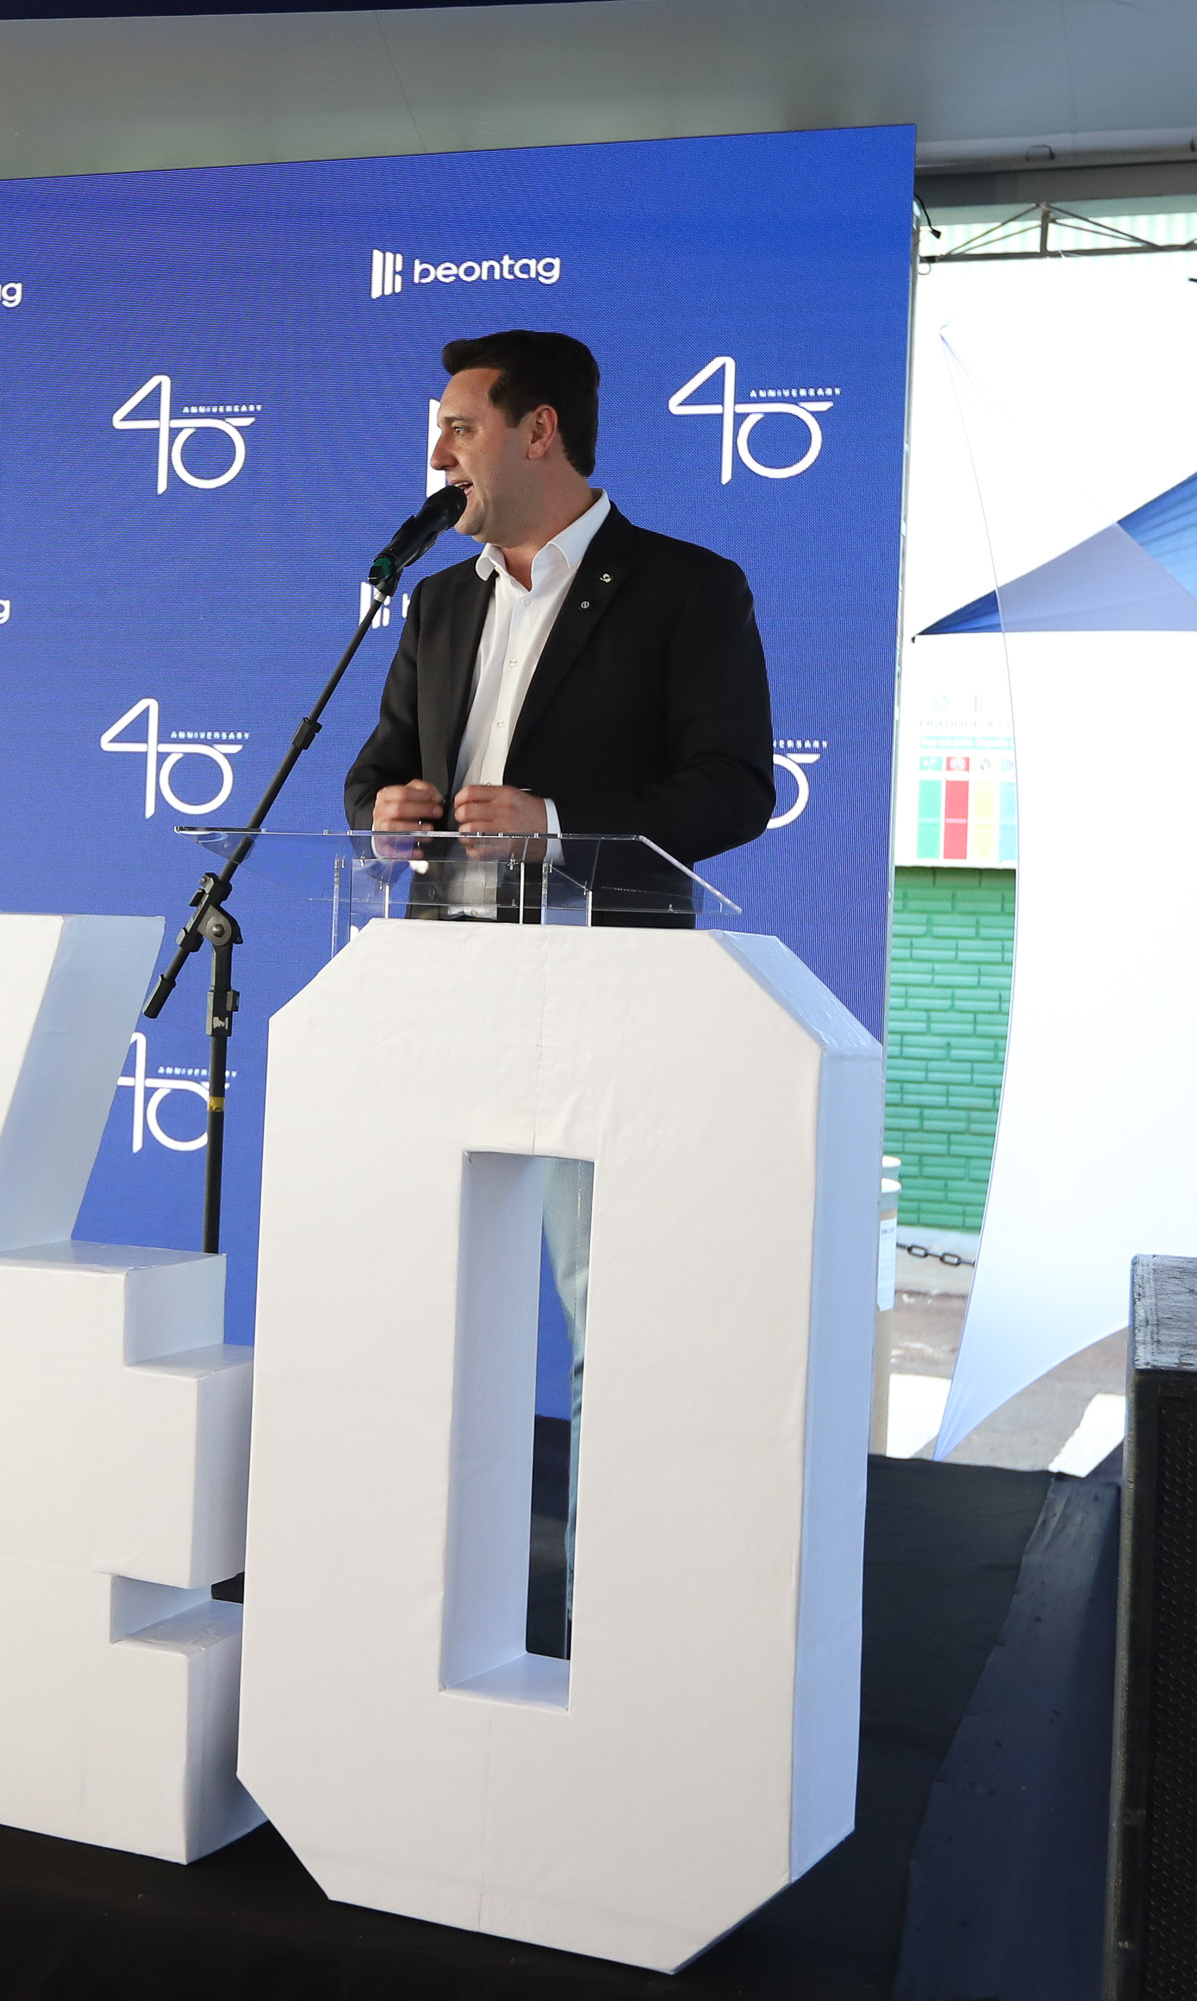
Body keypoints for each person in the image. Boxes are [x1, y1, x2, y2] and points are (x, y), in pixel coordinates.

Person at [341, 330, 777, 1630]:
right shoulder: (438, 602)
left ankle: (614, 1607)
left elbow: (734, 787)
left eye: (460, 427)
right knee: (427, 1300)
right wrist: (388, 810)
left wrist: (557, 818)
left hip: (604, 998)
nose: (438, 452)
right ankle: (416, 1592)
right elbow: (372, 770)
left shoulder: (687, 589)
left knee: (608, 1309)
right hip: (442, 987)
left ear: (540, 433)